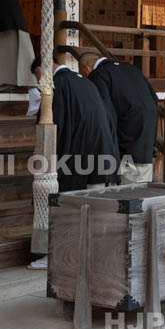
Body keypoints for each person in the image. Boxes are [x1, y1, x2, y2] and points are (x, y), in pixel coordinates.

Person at [26, 57, 120, 270]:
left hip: (77, 156)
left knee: (56, 201)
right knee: (91, 209)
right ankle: (90, 253)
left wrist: (40, 154)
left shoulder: (57, 85)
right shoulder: (85, 82)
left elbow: (50, 123)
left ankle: (53, 254)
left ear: (42, 69)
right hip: (102, 154)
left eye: (37, 76)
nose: (39, 82)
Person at [80, 49, 159, 184]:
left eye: (83, 72)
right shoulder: (130, 68)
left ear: (87, 66)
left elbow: (105, 113)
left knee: (127, 191)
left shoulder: (98, 75)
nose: (85, 76)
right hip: (148, 132)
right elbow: (154, 98)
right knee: (142, 184)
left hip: (126, 135)